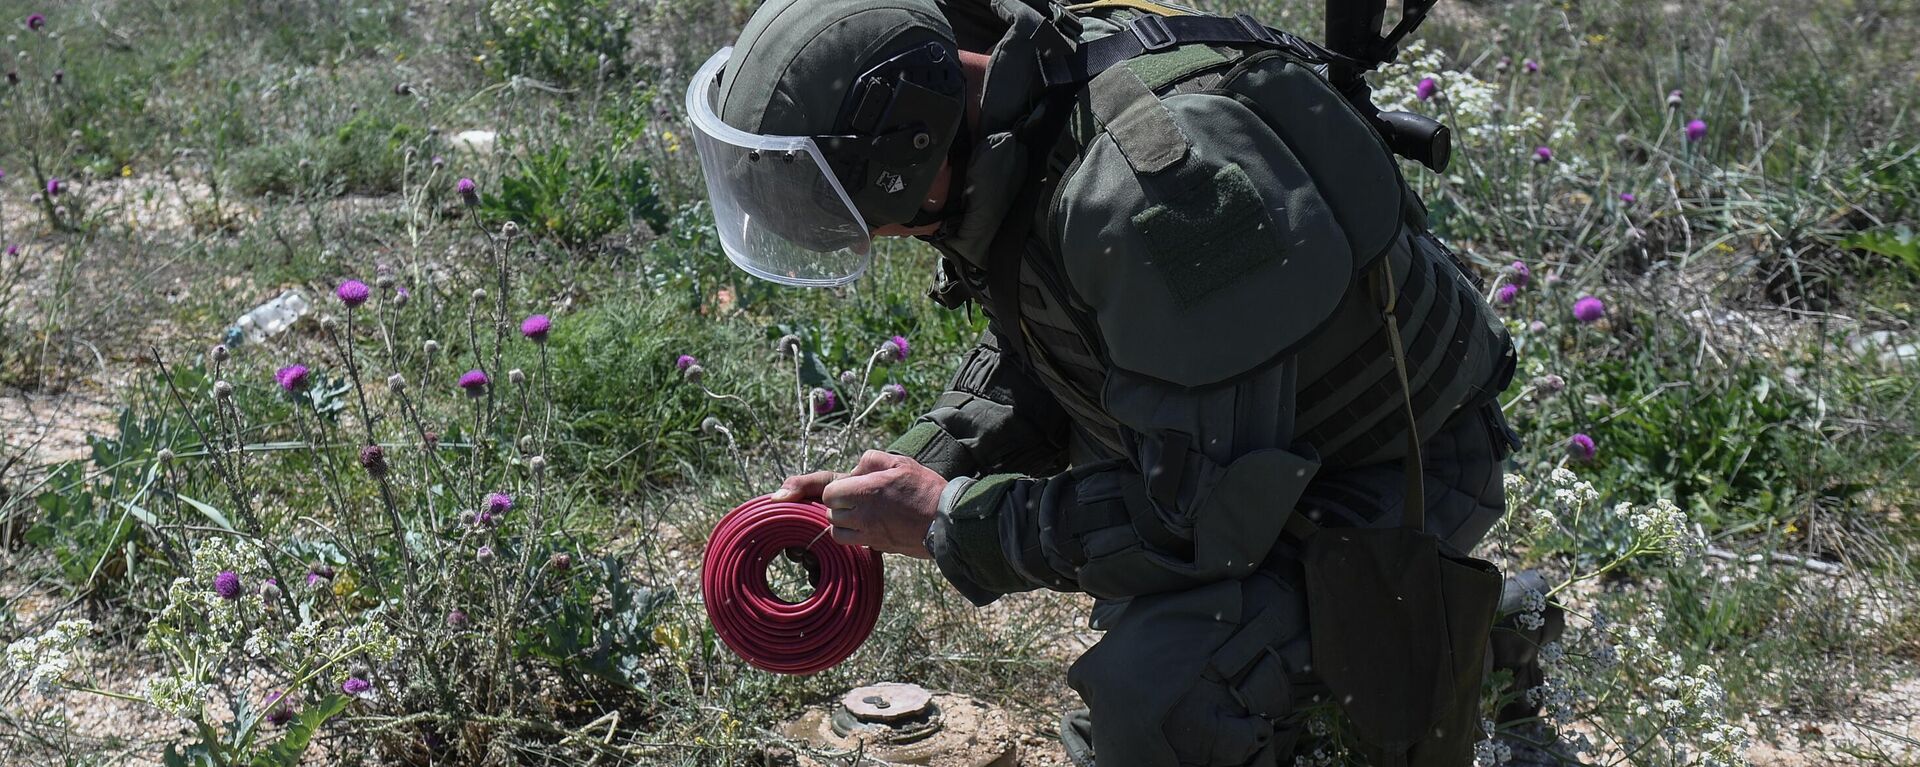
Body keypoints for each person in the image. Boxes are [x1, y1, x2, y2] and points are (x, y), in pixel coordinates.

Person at [684, 1, 1559, 764]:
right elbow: (1045, 343)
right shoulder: (1014, 106)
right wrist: (915, 465)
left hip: (1382, 471)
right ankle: (1435, 637)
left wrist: (951, 521)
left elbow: (1199, 523)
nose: (879, 236)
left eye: (862, 211)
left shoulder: (1157, 196)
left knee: (1158, 698)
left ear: (908, 143)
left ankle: (1462, 635)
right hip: (1255, 445)